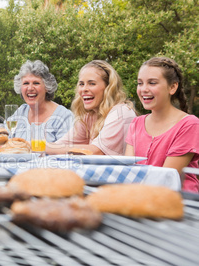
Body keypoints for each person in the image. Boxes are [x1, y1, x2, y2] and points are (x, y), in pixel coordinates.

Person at [125, 57, 199, 192]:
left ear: (172, 87)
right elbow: (129, 171)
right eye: (140, 83)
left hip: (179, 203)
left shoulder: (189, 124)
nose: (143, 89)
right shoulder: (136, 123)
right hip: (140, 198)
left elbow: (165, 178)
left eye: (152, 83)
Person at [46, 60, 136, 155]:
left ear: (108, 87)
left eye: (92, 83)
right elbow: (59, 146)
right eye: (81, 84)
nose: (84, 89)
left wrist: (43, 147)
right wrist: (35, 146)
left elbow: (97, 151)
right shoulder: (89, 116)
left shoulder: (121, 112)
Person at [9, 60, 73, 142]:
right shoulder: (19, 113)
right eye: (26, 83)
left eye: (36, 83)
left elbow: (66, 151)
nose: (30, 88)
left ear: (47, 86)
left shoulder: (64, 117)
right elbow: (5, 140)